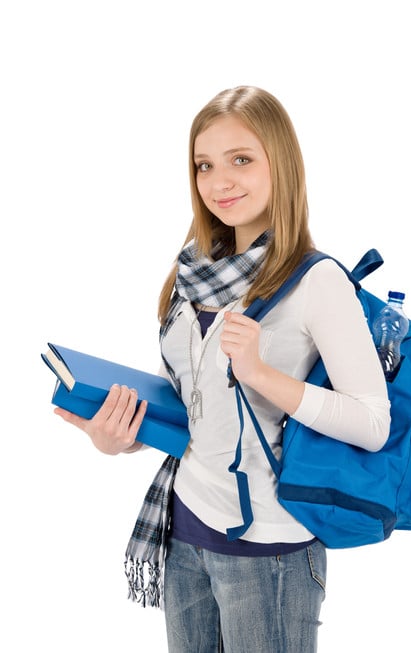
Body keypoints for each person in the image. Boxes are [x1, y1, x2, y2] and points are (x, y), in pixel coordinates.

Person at [55, 85, 391, 652]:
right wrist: (119, 437)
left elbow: (372, 421)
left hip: (270, 553)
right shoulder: (191, 277)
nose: (219, 181)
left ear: (280, 164)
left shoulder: (317, 282)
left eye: (241, 160)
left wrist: (260, 372)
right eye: (204, 165)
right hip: (183, 532)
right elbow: (200, 413)